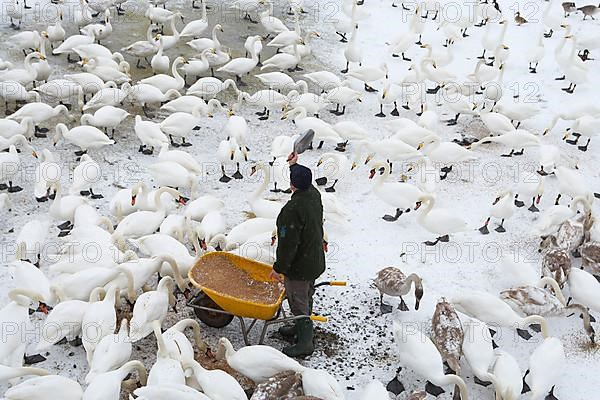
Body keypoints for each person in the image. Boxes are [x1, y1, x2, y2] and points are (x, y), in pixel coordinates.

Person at [269, 151, 326, 357]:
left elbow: (287, 245)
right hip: (315, 260)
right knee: (307, 293)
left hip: (299, 268)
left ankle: (304, 342)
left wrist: (279, 268)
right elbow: (304, 183)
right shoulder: (313, 195)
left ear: (292, 185)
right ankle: (299, 327)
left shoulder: (291, 210)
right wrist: (294, 165)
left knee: (298, 301)